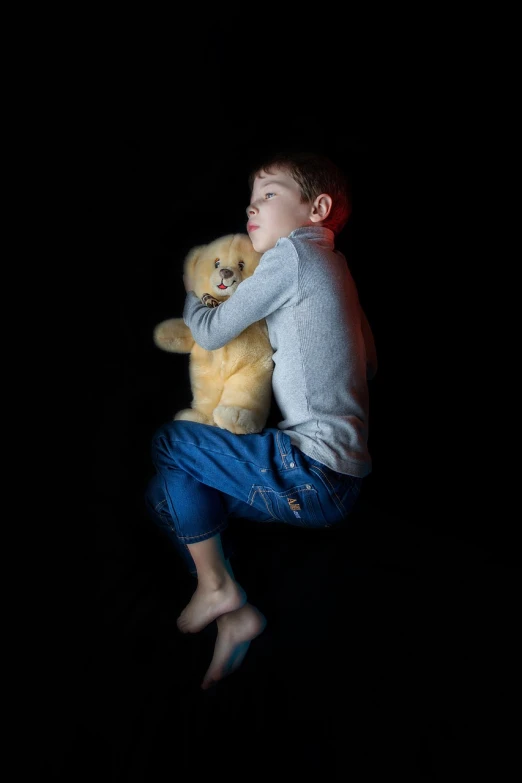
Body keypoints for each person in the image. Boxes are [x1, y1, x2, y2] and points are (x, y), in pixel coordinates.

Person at [145, 150, 377, 690]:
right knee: (169, 495)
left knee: (170, 443)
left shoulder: (295, 254)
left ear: (317, 209)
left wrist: (196, 283)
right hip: (336, 485)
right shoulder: (338, 269)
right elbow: (368, 361)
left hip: (310, 467)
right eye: (250, 201)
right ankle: (234, 614)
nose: (252, 210)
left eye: (268, 195)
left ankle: (219, 590)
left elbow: (209, 331)